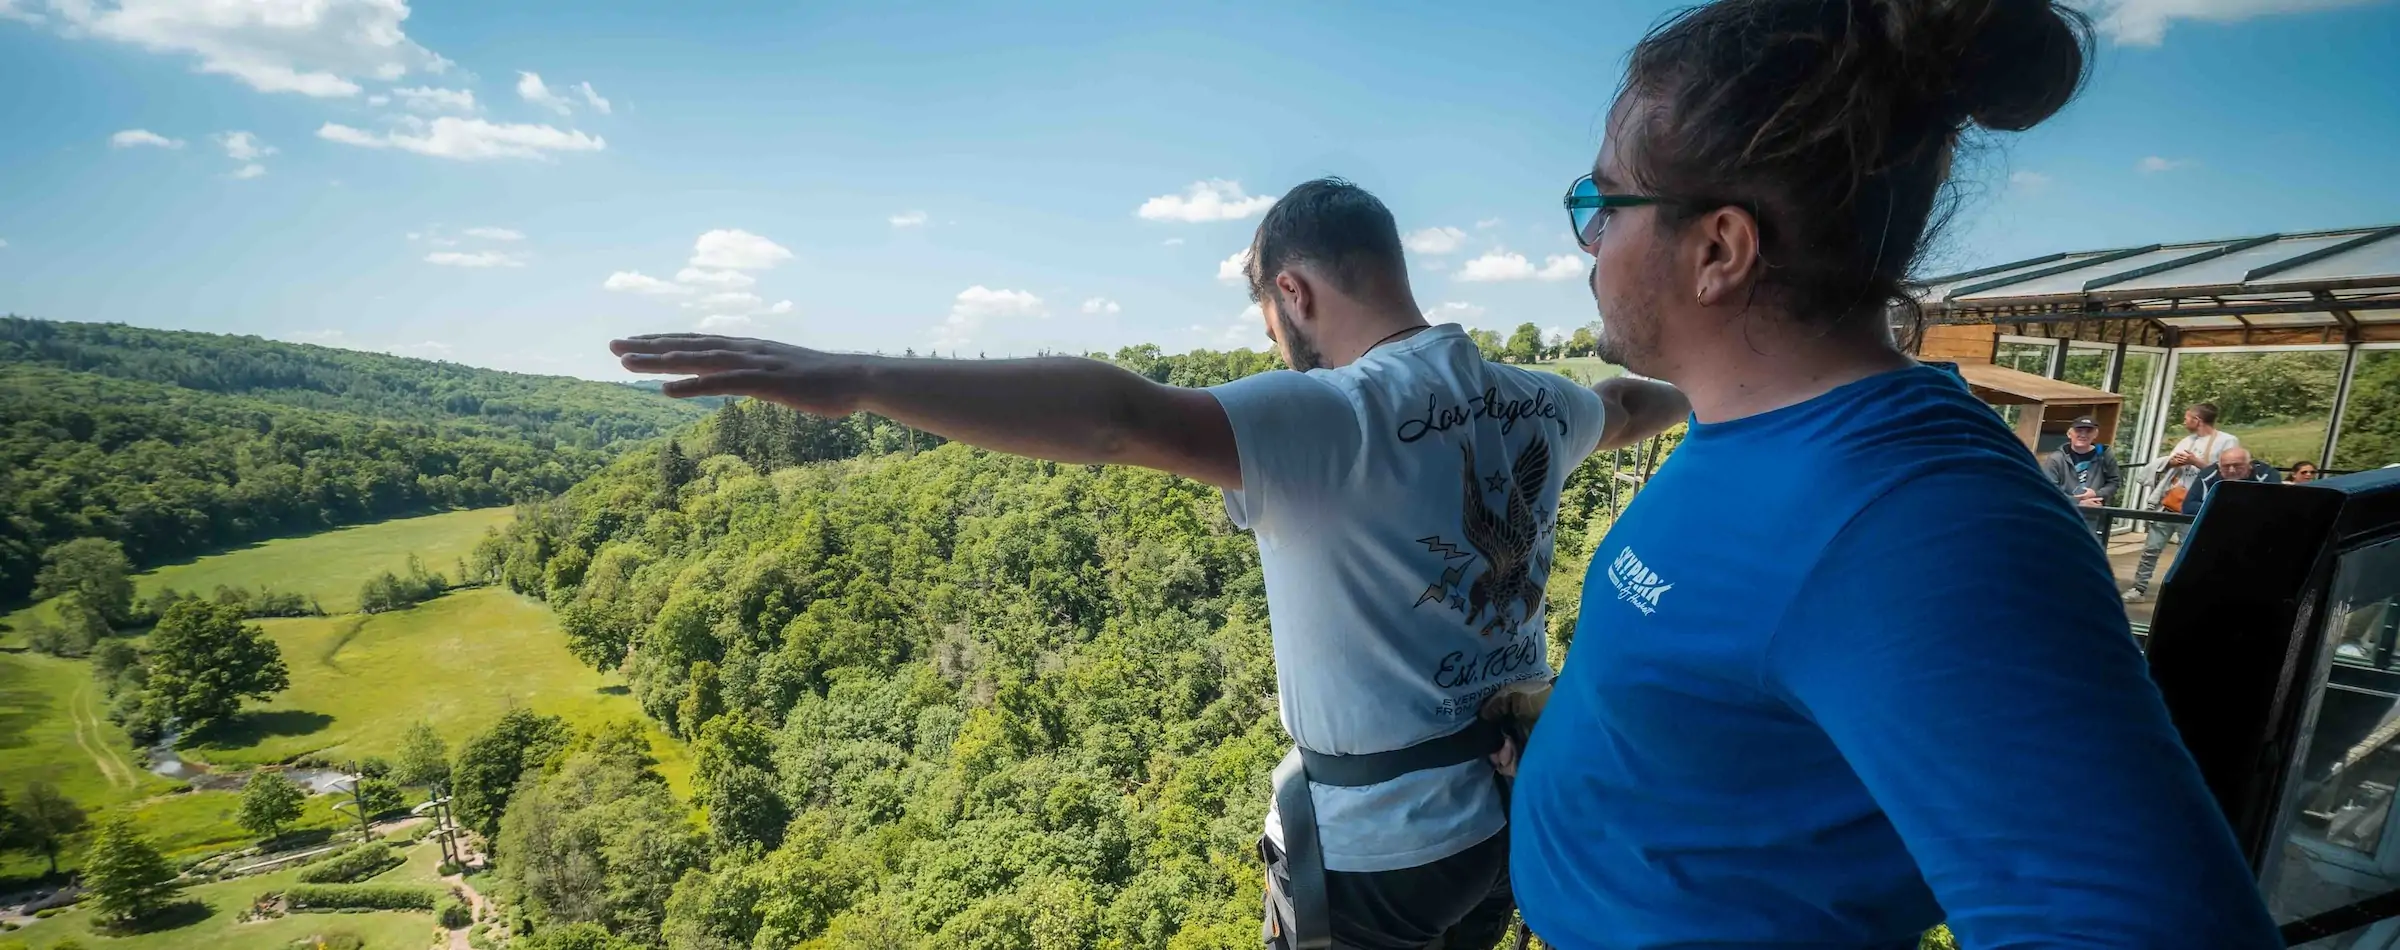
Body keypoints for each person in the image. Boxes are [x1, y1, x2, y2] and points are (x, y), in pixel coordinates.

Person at [610, 178, 1690, 950]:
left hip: (1380, 854)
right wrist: (1708, 391)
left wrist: (858, 379)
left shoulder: (1334, 415)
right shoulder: (1537, 401)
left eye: (1268, 319)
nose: (1273, 344)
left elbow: (1117, 417)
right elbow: (1630, 406)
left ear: (1295, 291)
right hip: (1512, 812)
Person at [1503, 0, 2280, 945]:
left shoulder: (1919, 527)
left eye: (1603, 203)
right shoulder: (1766, 432)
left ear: (1718, 249)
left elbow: (2143, 927)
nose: (1588, 243)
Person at [2125, 402, 2241, 603]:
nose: (2184, 421)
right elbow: (2169, 466)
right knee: (2151, 547)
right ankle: (2139, 587)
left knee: (2187, 552)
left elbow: (2229, 473)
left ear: (2197, 420)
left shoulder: (2227, 441)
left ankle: (2179, 591)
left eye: (2187, 417)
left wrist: (2196, 462)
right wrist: (2172, 462)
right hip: (2171, 502)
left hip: (2196, 507)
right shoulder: (2186, 441)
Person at [2039, 416, 2118, 540]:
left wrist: (2096, 494)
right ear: (2069, 433)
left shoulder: (2104, 455)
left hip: (2093, 517)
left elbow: (2114, 482)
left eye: (2088, 431)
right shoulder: (2056, 459)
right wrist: (2078, 503)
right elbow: (2049, 491)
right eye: (2079, 430)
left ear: (2095, 434)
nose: (2083, 434)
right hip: (2062, 515)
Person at [2189, 445, 2281, 514]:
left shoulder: (2266, 474)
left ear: (2250, 465)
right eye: (2226, 466)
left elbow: (2275, 505)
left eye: (2237, 465)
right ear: (2219, 466)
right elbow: (2189, 506)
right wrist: (2225, 509)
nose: (2232, 470)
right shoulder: (2208, 475)